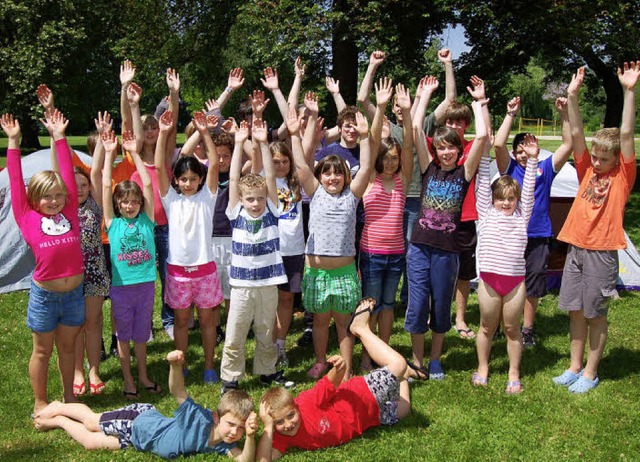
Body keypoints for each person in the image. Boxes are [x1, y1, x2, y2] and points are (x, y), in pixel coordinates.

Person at [553, 63, 638, 393]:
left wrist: (629, 92)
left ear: (617, 159)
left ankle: (591, 372)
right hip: (576, 248)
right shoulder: (588, 169)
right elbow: (576, 135)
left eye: (604, 159)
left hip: (602, 254)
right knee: (575, 310)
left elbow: (627, 134)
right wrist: (572, 97)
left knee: (595, 313)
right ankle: (574, 366)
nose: (597, 163)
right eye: (596, 157)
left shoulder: (623, 177)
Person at [255, 297, 412, 460]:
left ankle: (361, 329)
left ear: (295, 405)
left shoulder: (307, 402)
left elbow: (328, 383)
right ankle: (404, 376)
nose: (288, 424)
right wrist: (267, 426)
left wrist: (339, 368)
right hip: (370, 417)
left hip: (363, 394)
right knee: (404, 408)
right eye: (279, 422)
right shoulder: (282, 437)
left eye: (290, 415)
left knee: (398, 364)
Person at [404, 80, 488, 381]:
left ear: (458, 149)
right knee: (417, 305)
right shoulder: (429, 168)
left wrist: (479, 103)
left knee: (441, 305)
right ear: (435, 151)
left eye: (451, 147)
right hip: (419, 248)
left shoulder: (464, 172)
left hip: (447, 252)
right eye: (441, 147)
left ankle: (436, 359)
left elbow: (482, 137)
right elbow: (415, 130)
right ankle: (417, 359)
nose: (447, 152)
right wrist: (424, 95)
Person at [3, 110, 85, 414]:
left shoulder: (71, 212)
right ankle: (40, 402)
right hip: (45, 297)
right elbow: (14, 179)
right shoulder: (27, 218)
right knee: (42, 350)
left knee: (67, 348)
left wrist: (60, 137)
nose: (54, 201)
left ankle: (69, 398)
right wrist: (13, 142)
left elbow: (67, 171)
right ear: (34, 199)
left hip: (74, 294)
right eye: (46, 197)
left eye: (58, 196)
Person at [33, 350, 258, 460]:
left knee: (91, 443)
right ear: (216, 418)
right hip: (138, 422)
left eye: (240, 429)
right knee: (93, 422)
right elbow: (178, 391)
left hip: (138, 441)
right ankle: (59, 407)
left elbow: (243, 460)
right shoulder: (199, 418)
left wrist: (249, 436)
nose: (233, 432)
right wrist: (174, 366)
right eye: (231, 424)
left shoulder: (223, 444)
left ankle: (60, 422)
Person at [287, 100, 372, 381]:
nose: (333, 177)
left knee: (344, 324)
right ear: (319, 176)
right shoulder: (316, 192)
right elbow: (300, 164)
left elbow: (368, 164)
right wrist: (293, 136)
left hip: (345, 273)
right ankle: (322, 361)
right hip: (318, 273)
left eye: (338, 173)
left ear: (347, 176)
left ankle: (345, 366)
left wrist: (365, 136)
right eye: (327, 172)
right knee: (321, 323)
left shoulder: (352, 194)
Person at [220, 118, 294, 394]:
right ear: (241, 199)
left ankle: (267, 371)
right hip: (241, 286)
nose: (255, 203)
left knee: (266, 331)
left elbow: (271, 179)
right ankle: (230, 378)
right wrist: (239, 143)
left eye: (259, 198)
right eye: (250, 199)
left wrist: (263, 142)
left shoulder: (272, 210)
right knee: (235, 332)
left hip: (268, 283)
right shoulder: (235, 211)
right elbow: (235, 176)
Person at [494, 96, 573, 347]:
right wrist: (510, 114)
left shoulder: (546, 168)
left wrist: (564, 115)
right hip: (510, 234)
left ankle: (527, 329)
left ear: (536, 151)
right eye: (518, 151)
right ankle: (498, 325)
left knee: (534, 282)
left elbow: (569, 144)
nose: (523, 155)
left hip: (539, 234)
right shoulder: (510, 169)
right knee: (503, 279)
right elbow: (497, 145)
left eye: (527, 151)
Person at [156, 109, 224, 383]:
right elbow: (160, 165)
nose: (187, 184)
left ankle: (209, 365)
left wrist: (206, 133)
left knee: (208, 322)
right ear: (175, 181)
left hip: (205, 270)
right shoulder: (170, 200)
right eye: (183, 179)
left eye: (192, 179)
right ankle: (181, 363)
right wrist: (163, 134)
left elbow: (216, 163)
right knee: (182, 322)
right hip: (178, 273)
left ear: (200, 180)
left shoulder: (207, 198)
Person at [473, 134, 539, 394]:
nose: (506, 203)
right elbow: (481, 183)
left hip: (514, 283)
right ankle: (482, 367)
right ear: (493, 199)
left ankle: (513, 372)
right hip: (489, 280)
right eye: (501, 198)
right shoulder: (486, 213)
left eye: (511, 199)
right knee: (487, 327)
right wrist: (486, 152)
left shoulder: (522, 216)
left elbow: (530, 190)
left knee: (512, 328)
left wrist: (532, 160)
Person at [359, 79, 413, 371]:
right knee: (371, 304)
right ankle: (367, 355)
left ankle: (385, 352)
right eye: (386, 159)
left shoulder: (403, 181)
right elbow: (369, 142)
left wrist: (405, 116)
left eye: (395, 159)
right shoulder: (371, 179)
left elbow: (408, 148)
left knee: (388, 305)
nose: (391, 163)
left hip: (396, 255)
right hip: (372, 254)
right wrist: (379, 108)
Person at [102, 129, 161, 399]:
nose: (130, 205)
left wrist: (135, 153)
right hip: (122, 289)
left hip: (146, 285)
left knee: (141, 334)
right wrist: (107, 154)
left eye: (134, 201)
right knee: (123, 336)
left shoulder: (146, 220)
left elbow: (148, 185)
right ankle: (128, 379)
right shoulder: (113, 224)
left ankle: (143, 375)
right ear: (117, 203)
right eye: (125, 201)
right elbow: (104, 186)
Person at [67, 112, 111, 396]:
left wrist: (103, 143)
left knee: (93, 322)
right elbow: (59, 165)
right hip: (70, 275)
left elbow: (95, 173)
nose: (82, 189)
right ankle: (78, 371)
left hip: (95, 271)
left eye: (84, 185)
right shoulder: (65, 208)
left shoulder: (94, 206)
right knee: (77, 325)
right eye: (76, 186)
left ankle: (94, 370)